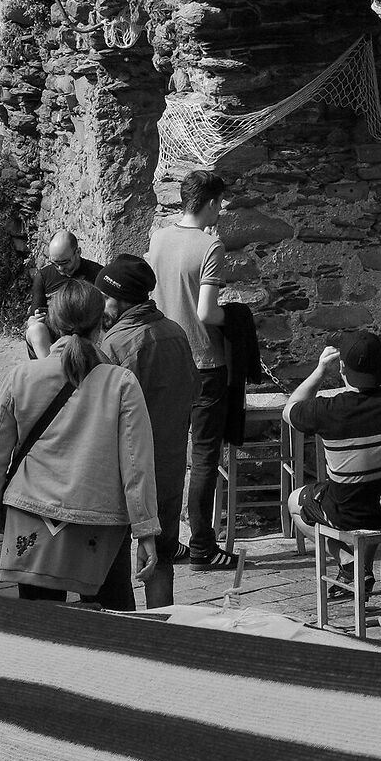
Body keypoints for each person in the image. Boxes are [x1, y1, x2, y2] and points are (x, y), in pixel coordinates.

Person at [0, 280, 160, 608]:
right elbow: (136, 464)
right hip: (99, 524)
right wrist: (145, 532)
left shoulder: (22, 377)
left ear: (53, 324)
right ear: (102, 323)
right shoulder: (121, 383)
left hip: (31, 515)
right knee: (112, 630)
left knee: (41, 631)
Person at [147, 169, 238, 571]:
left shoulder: (160, 237)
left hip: (166, 359)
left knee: (167, 453)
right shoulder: (210, 244)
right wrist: (234, 317)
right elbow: (206, 311)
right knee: (203, 457)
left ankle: (166, 540)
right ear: (211, 203)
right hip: (204, 361)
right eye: (221, 202)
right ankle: (202, 545)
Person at [96, 253, 196, 608]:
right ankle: (161, 629)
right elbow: (192, 394)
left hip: (124, 470)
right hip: (167, 467)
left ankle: (123, 637)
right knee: (162, 554)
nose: (99, 305)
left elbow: (98, 416)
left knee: (112, 558)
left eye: (103, 297)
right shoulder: (176, 334)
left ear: (119, 299)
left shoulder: (114, 345)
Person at [285, 329, 381, 534]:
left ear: (342, 367)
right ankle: (359, 564)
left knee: (295, 501)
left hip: (346, 515)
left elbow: (289, 410)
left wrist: (320, 370)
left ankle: (347, 560)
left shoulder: (326, 410)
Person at [25, 231, 102, 358]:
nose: (60, 269)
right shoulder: (44, 276)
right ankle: (50, 371)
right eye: (55, 263)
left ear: (78, 252)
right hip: (53, 339)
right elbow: (34, 315)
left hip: (86, 335)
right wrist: (34, 320)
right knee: (35, 329)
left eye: (65, 262)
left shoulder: (97, 274)